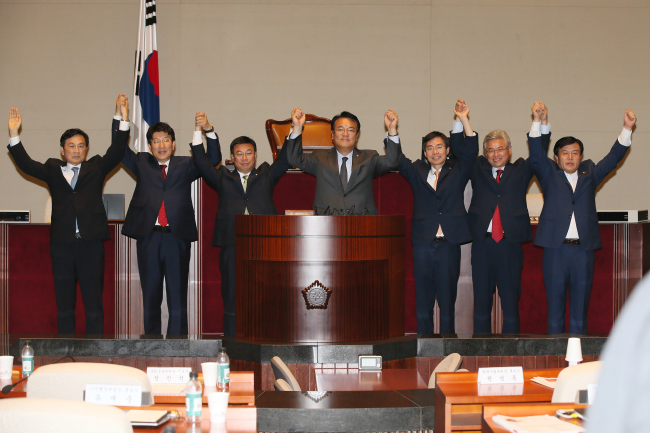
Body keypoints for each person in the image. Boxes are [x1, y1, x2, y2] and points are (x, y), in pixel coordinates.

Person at [7, 94, 131, 334]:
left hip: (91, 244)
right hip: (62, 245)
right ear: (62, 150)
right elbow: (26, 164)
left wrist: (122, 119)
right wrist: (14, 134)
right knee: (64, 303)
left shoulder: (96, 167)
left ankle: (94, 351)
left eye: (81, 145)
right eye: (71, 146)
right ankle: (67, 351)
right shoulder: (53, 169)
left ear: (86, 149)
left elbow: (116, 151)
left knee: (93, 302)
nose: (77, 150)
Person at [530, 109, 636, 334]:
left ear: (581, 156)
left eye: (575, 153)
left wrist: (627, 129)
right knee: (555, 310)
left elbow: (613, 158)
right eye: (565, 153)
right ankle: (555, 359)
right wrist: (538, 122)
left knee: (580, 310)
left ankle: (577, 364)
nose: (570, 157)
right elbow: (536, 155)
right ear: (557, 158)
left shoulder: (591, 173)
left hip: (583, 252)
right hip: (555, 251)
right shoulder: (549, 174)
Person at [120, 100, 219, 335]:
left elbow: (212, 159)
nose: (161, 145)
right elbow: (120, 150)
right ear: (150, 145)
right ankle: (152, 341)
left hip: (177, 237)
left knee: (177, 294)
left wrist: (208, 130)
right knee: (150, 293)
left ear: (174, 145)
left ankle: (178, 343)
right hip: (149, 237)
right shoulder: (141, 162)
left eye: (166, 140)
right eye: (156, 140)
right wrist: (123, 118)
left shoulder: (186, 164)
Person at [190, 111, 290, 337]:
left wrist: (296, 130)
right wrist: (201, 130)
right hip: (232, 243)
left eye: (248, 153)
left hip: (264, 243)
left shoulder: (266, 174)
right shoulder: (222, 177)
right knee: (232, 294)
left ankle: (266, 336)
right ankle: (232, 341)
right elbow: (200, 161)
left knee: (265, 291)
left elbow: (284, 159)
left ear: (255, 155)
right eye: (239, 154)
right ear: (232, 157)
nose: (244, 158)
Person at [468, 102, 551, 334]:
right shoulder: (478, 168)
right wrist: (463, 120)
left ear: (510, 150)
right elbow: (463, 150)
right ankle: (480, 353)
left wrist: (538, 122)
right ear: (486, 154)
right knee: (481, 305)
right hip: (482, 245)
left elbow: (538, 152)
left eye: (500, 149)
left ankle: (511, 353)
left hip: (510, 244)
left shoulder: (521, 169)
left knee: (511, 304)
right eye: (491, 150)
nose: (496, 154)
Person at [398, 99, 477, 334]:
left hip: (448, 245)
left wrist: (463, 119)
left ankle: (448, 345)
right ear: (425, 152)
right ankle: (424, 345)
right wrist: (392, 132)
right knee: (423, 301)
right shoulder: (417, 170)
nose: (435, 151)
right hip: (423, 244)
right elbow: (397, 160)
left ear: (447, 149)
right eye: (430, 148)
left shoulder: (458, 170)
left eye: (440, 147)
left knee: (447, 301)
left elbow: (471, 151)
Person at [285, 108, 402, 215]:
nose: (345, 134)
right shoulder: (319, 157)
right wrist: (297, 128)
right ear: (332, 134)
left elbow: (392, 162)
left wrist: (392, 130)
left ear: (357, 136)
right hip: (326, 225)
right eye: (340, 129)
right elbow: (294, 159)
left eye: (350, 130)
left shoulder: (369, 158)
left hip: (364, 225)